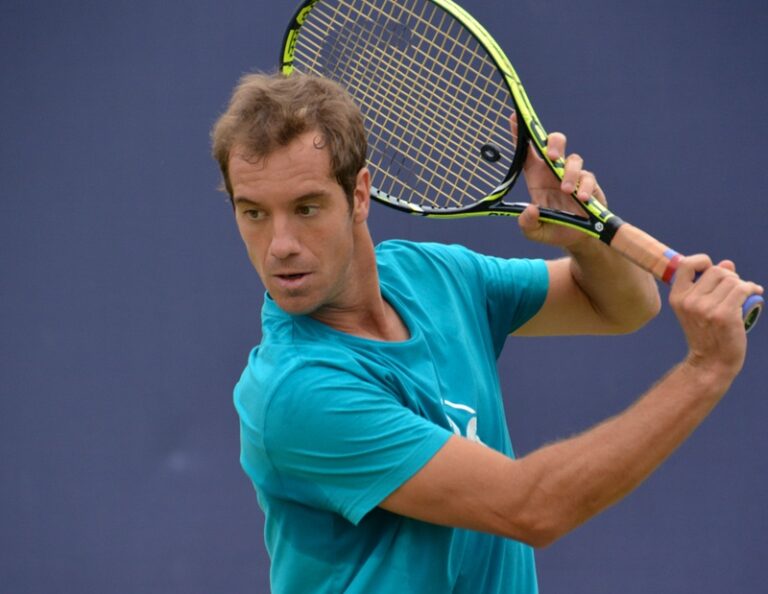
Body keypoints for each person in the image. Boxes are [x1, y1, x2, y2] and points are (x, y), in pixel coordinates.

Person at [210, 72, 762, 594]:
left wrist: (583, 234)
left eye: (306, 208)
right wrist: (706, 370)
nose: (280, 244)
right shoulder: (294, 392)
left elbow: (623, 305)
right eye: (254, 213)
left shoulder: (433, 276)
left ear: (358, 194)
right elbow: (531, 508)